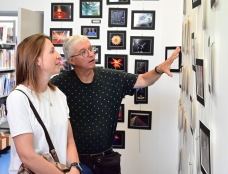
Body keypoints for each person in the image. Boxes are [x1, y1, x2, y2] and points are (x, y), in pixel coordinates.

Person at [50, 35, 180, 173]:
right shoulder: (59, 84)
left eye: (90, 49)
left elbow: (143, 80)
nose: (90, 54)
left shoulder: (110, 77)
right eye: (83, 52)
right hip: (77, 162)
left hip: (107, 160)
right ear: (72, 60)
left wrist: (159, 69)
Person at [7, 34, 81, 174]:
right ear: (37, 61)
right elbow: (27, 156)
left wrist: (75, 167)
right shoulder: (18, 98)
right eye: (52, 51)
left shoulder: (59, 95)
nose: (59, 56)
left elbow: (69, 141)